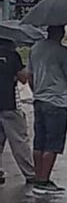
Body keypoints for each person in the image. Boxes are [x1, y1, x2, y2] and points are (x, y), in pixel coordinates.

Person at [28, 26, 67, 194]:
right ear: (61, 33)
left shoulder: (35, 49)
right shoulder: (63, 52)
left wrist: (36, 92)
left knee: (39, 141)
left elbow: (30, 76)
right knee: (53, 143)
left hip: (38, 101)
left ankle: (39, 178)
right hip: (57, 103)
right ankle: (43, 182)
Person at [0, 38, 35, 185]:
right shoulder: (12, 55)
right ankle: (31, 174)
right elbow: (23, 79)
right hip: (9, 104)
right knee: (19, 141)